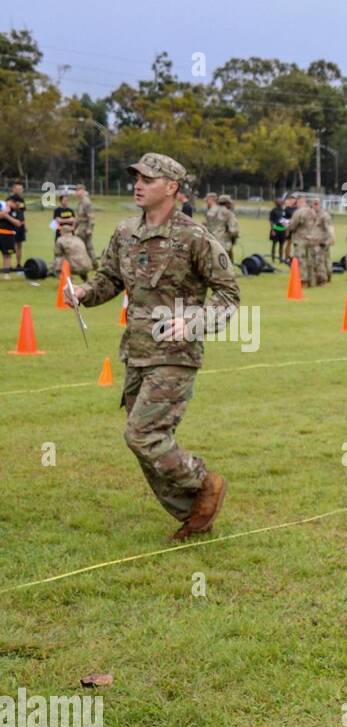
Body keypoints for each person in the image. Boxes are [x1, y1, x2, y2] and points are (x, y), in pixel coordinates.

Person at [68, 153, 239, 540]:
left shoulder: (195, 237)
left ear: (172, 188)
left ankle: (205, 482)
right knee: (143, 439)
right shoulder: (126, 231)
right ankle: (193, 513)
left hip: (176, 355)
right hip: (137, 351)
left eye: (148, 178)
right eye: (136, 177)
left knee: (142, 434)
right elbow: (108, 280)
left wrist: (194, 321)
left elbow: (228, 296)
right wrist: (83, 293)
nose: (138, 184)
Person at [285, 197, 332, 286]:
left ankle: (303, 281)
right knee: (312, 260)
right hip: (312, 239)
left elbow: (292, 226)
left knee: (301, 261)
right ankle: (313, 280)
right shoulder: (314, 213)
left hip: (301, 240)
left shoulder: (299, 212)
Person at [74, 184, 96, 262]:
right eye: (76, 190)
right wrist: (74, 227)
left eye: (78, 190)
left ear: (83, 191)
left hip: (85, 227)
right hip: (80, 228)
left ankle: (94, 263)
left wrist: (89, 229)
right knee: (81, 246)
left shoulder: (86, 202)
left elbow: (91, 217)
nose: (77, 192)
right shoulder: (79, 203)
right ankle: (85, 263)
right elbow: (77, 217)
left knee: (88, 247)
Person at [0, 196, 21, 271]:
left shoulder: (17, 211)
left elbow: (19, 223)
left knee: (7, 255)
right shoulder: (1, 206)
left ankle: (6, 272)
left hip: (8, 235)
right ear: (12, 202)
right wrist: (5, 212)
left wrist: (7, 216)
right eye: (16, 204)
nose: (16, 206)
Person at [9, 181, 25, 263]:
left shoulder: (22, 200)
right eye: (18, 189)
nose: (20, 190)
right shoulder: (9, 200)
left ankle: (18, 264)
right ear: (14, 189)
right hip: (12, 226)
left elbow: (22, 213)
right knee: (11, 246)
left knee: (19, 246)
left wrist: (24, 225)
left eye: (21, 189)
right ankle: (9, 264)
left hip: (21, 227)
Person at [269, 197, 288, 262]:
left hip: (283, 230)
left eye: (281, 201)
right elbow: (271, 221)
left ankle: (280, 259)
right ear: (276, 203)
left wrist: (286, 230)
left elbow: (286, 221)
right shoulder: (273, 210)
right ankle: (273, 258)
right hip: (276, 229)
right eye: (279, 201)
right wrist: (273, 230)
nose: (280, 203)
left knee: (282, 245)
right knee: (274, 245)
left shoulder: (284, 211)